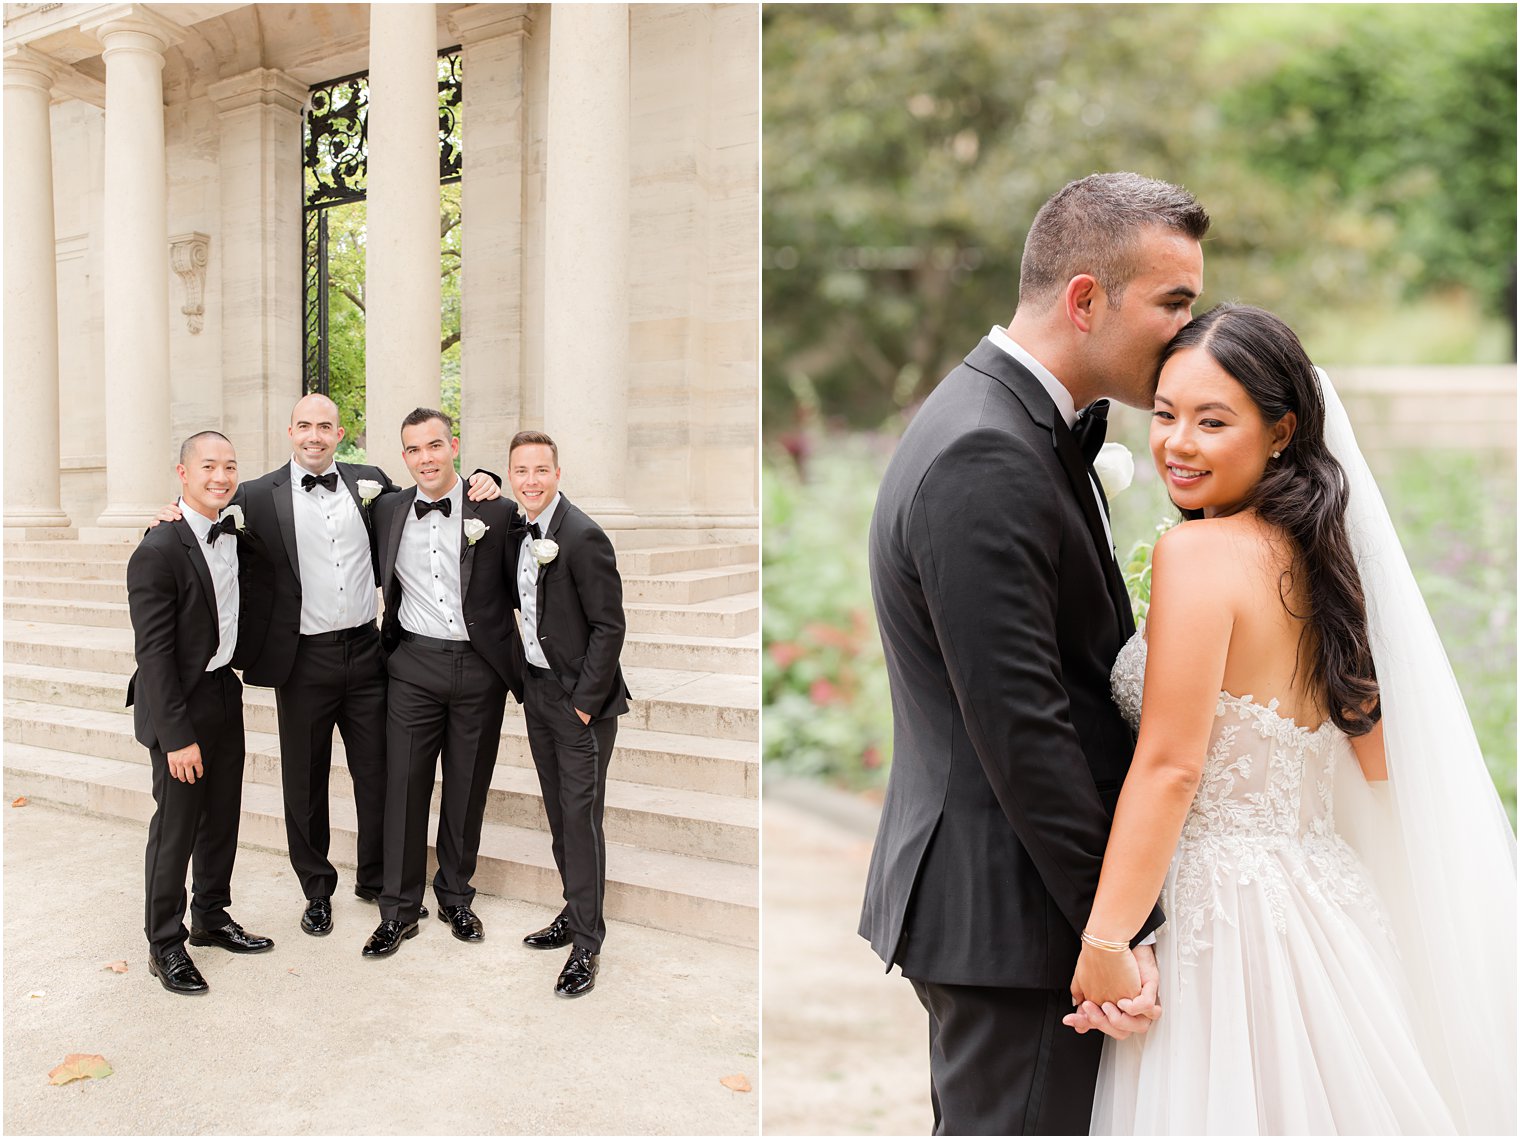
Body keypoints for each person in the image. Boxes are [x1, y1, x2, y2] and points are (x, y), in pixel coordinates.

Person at [1069, 304, 1516, 1135]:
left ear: (1282, 431)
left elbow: (1171, 767)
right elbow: (1384, 760)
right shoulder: (1326, 556)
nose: (1177, 443)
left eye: (1212, 420)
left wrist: (1105, 940)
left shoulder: (1196, 554)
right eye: (1165, 414)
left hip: (1223, 920)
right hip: (1330, 906)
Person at [859, 172, 1208, 1134]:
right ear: (1086, 298)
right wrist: (1116, 929)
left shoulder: (1014, 425)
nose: (1188, 330)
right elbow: (1025, 729)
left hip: (1019, 907)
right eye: (1173, 301)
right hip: (1018, 918)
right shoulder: (987, 452)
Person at [152, 393, 501, 937]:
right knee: (305, 783)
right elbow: (198, 522)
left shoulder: (374, 486)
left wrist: (484, 477)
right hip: (301, 660)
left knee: (380, 774)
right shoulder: (252, 498)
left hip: (368, 654)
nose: (315, 435)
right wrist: (167, 515)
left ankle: (377, 876)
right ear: (290, 432)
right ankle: (316, 890)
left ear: (341, 434)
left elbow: (433, 491)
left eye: (326, 427)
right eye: (305, 426)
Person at [361, 408, 524, 958]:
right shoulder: (384, 509)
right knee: (403, 787)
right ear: (402, 457)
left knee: (466, 786)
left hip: (480, 668)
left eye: (434, 446)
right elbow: (311, 508)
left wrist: (493, 479)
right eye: (413, 450)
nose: (425, 458)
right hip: (412, 666)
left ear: (453, 446)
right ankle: (399, 909)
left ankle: (455, 894)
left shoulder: (496, 511)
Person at [127, 430, 274, 995]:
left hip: (222, 691)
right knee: (176, 828)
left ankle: (212, 916)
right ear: (182, 473)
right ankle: (165, 942)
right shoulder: (158, 549)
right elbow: (154, 655)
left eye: (229, 466)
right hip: (178, 706)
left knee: (222, 816)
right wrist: (176, 735)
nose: (221, 476)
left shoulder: (235, 533)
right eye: (208, 466)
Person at [508, 430, 630, 998]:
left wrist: (583, 703)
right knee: (559, 817)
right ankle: (571, 910)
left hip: (577, 702)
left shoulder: (582, 536)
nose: (531, 480)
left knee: (580, 822)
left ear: (558, 473)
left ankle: (587, 942)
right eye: (521, 471)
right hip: (537, 692)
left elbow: (610, 625)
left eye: (540, 470)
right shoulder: (517, 529)